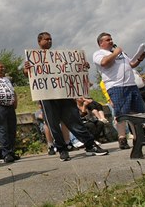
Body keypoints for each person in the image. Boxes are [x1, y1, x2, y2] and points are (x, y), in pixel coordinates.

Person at [24, 32, 108, 161]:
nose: (49, 41)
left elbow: (72, 71)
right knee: (53, 125)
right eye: (46, 39)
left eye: (51, 39)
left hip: (64, 96)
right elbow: (28, 75)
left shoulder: (60, 57)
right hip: (48, 98)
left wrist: (82, 67)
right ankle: (62, 149)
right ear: (39, 41)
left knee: (75, 121)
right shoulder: (33, 58)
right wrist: (27, 69)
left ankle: (90, 145)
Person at [93, 32, 145, 149]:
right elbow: (104, 62)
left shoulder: (120, 52)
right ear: (100, 43)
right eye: (107, 40)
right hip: (116, 86)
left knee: (135, 113)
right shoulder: (99, 53)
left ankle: (138, 137)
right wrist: (116, 53)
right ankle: (122, 139)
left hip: (131, 85)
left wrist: (139, 60)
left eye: (111, 39)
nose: (111, 41)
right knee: (121, 113)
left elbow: (130, 64)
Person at [0, 62, 19, 163]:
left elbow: (13, 91)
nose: (3, 68)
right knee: (2, 130)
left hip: (10, 107)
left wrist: (15, 101)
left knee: (12, 129)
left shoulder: (7, 80)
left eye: (4, 66)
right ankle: (6, 154)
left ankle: (11, 151)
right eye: (1, 67)